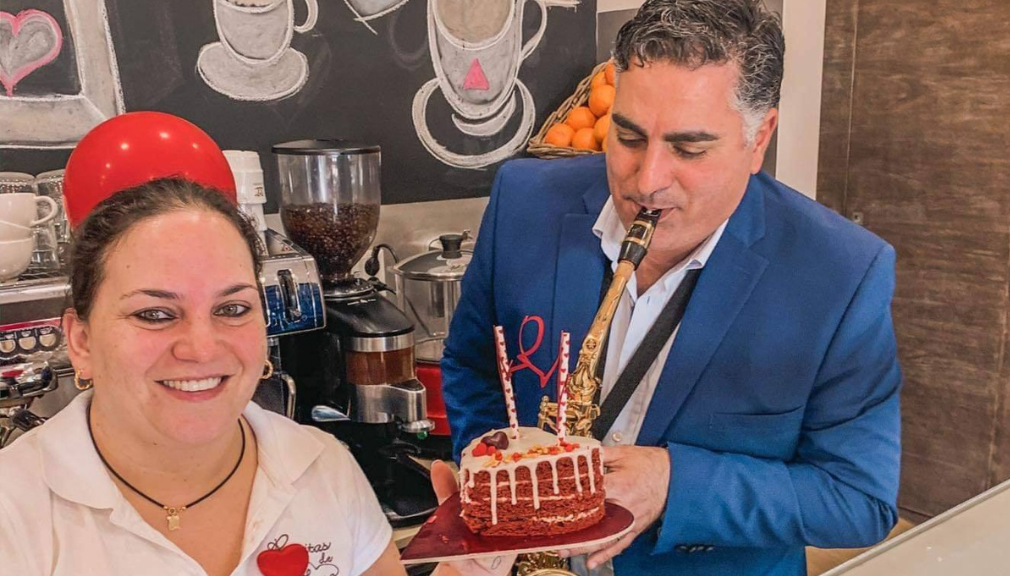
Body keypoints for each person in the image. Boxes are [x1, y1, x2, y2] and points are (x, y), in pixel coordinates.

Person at [441, 1, 902, 575]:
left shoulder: (841, 273)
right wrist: (501, 472)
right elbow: (472, 366)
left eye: (689, 149)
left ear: (760, 139)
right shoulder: (521, 200)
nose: (646, 181)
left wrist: (675, 485)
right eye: (628, 136)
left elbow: (859, 500)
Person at [0, 178, 511, 576]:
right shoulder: (15, 510)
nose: (201, 347)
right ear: (81, 341)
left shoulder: (321, 468)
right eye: (154, 314)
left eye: (232, 307)